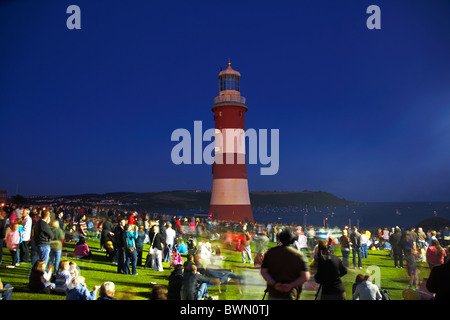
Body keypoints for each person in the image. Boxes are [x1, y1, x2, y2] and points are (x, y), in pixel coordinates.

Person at [260, 227, 310, 300]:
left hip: (274, 293)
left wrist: (275, 284)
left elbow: (263, 272)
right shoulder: (299, 255)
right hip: (290, 293)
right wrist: (290, 285)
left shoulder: (271, 253)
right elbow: (305, 276)